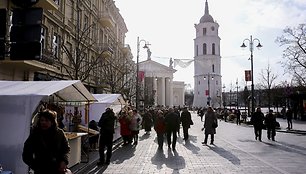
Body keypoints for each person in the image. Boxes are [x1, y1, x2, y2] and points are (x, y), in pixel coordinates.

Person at [22, 109, 70, 174]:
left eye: (47, 120)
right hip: (41, 170)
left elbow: (66, 149)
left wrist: (64, 161)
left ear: (52, 122)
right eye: (42, 120)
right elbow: (26, 154)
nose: (43, 122)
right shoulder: (35, 134)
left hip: (57, 169)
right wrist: (35, 166)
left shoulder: (59, 133)